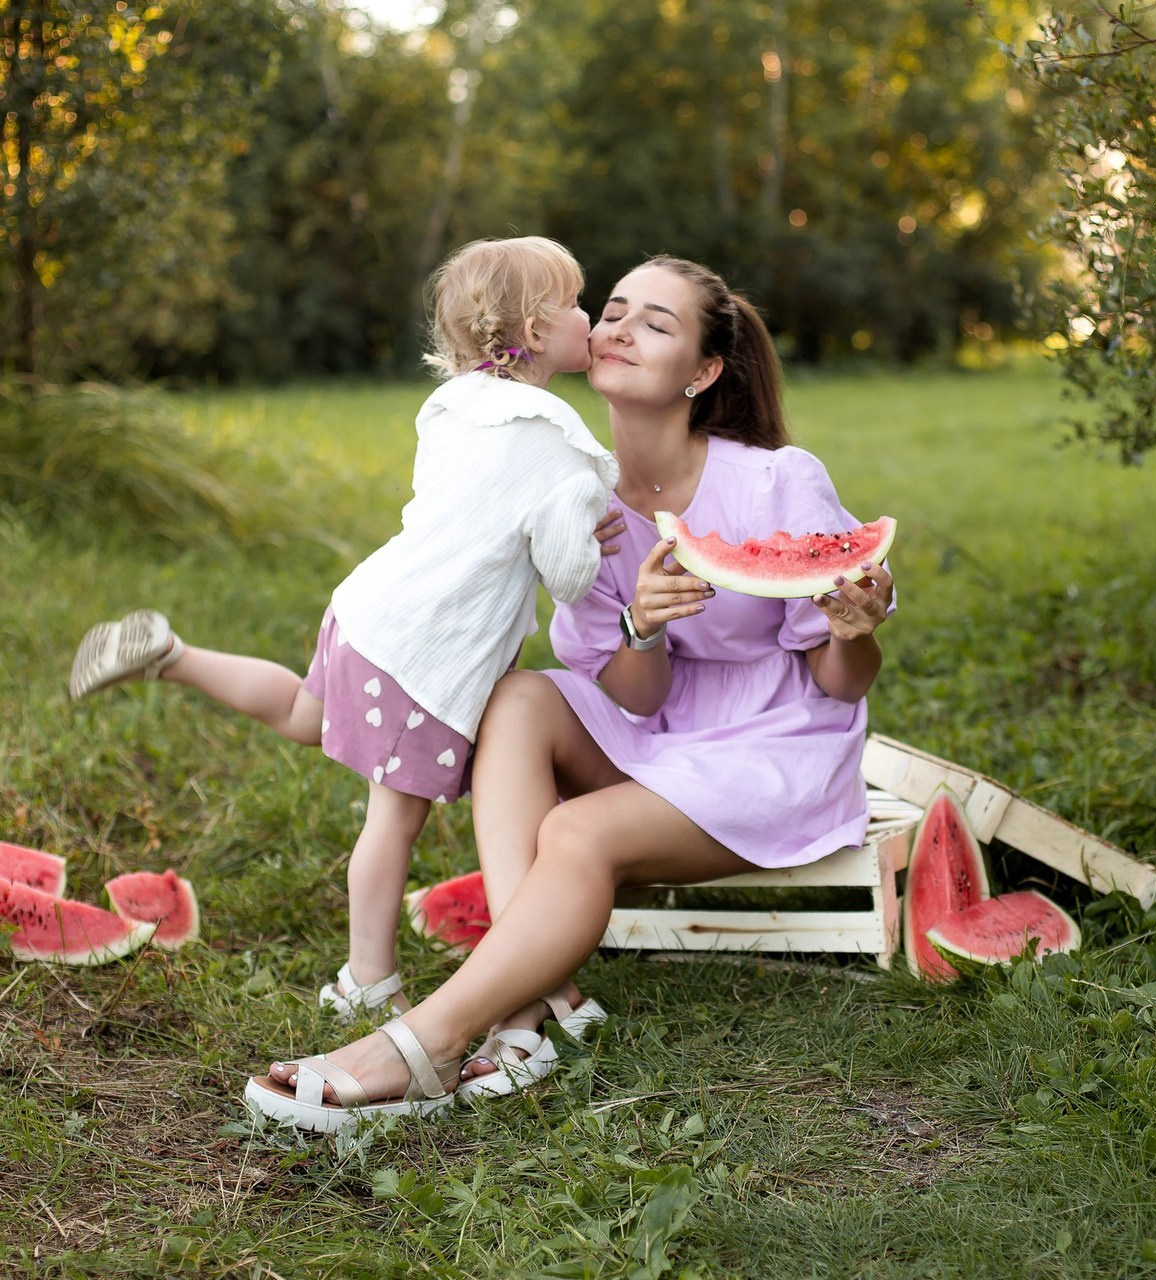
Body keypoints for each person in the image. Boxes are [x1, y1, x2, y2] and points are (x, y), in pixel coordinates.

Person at [243, 255, 894, 1132]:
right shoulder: (577, 497)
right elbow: (635, 695)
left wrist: (855, 630)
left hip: (772, 744)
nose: (620, 327)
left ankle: (433, 1037)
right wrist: (644, 627)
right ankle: (532, 1007)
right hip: (655, 732)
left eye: (656, 324)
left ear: (703, 373)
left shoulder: (778, 480)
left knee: (574, 830)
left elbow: (838, 681)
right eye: (614, 309)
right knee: (515, 700)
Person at [69, 235, 618, 1028]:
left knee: (303, 711)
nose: (589, 315)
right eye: (573, 302)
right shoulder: (553, 440)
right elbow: (566, 575)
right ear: (535, 333)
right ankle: (366, 975)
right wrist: (590, 529)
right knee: (391, 820)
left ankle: (172, 653)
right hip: (426, 656)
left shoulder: (457, 404)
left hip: (369, 611)